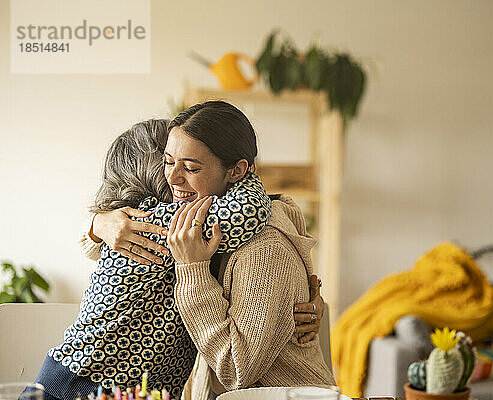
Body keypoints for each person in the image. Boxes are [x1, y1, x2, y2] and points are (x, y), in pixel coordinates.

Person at [87, 102, 335, 399]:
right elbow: (109, 247)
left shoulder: (263, 249)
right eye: (167, 162)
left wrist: (192, 270)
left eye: (191, 167)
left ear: (236, 171)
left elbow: (237, 370)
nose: (173, 179)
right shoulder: (204, 227)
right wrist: (98, 223)